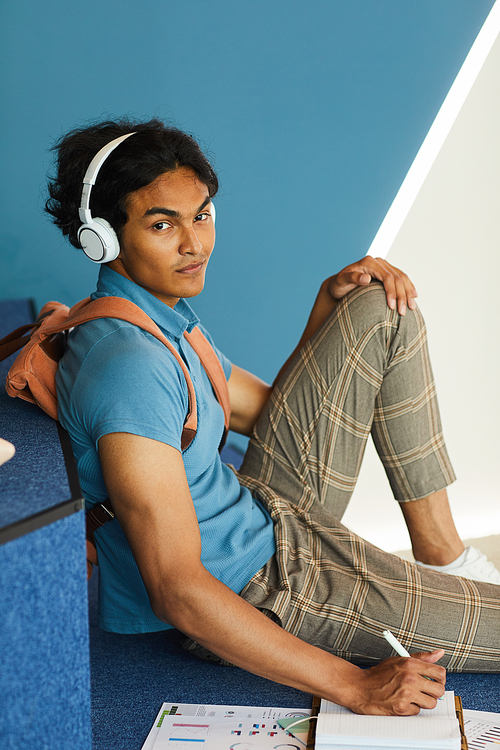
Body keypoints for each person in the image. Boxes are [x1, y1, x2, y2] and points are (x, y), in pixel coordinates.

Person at [46, 117, 500, 717]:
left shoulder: (160, 320)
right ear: (102, 239)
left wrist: (324, 313)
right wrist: (352, 685)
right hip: (266, 588)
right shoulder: (128, 366)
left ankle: (443, 553)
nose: (194, 243)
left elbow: (274, 417)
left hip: (268, 511)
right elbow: (178, 590)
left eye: (202, 215)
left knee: (378, 308)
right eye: (162, 224)